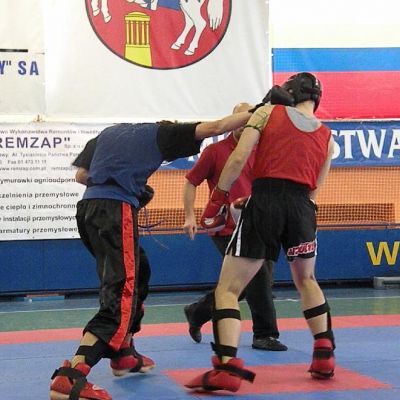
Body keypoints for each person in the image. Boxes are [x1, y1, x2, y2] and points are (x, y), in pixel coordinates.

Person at [49, 111, 253, 400]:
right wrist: (257, 111)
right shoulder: (162, 134)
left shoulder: (110, 132)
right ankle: (72, 374)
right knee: (121, 292)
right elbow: (217, 126)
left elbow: (82, 175)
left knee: (139, 271)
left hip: (88, 210)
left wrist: (124, 182)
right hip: (115, 210)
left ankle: (123, 353)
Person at [186, 72, 336, 393]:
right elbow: (315, 190)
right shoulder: (327, 135)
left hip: (266, 200)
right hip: (303, 209)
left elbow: (239, 157)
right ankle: (324, 354)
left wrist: (217, 199)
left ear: (290, 92)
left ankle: (226, 367)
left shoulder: (268, 113)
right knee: (307, 281)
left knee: (228, 289)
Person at [182, 102, 287, 351]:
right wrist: (189, 215)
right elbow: (191, 181)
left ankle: (198, 311)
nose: (243, 126)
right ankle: (264, 334)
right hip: (226, 227)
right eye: (239, 120)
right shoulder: (215, 152)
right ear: (232, 121)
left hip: (260, 224)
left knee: (243, 283)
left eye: (248, 121)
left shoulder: (264, 151)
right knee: (258, 279)